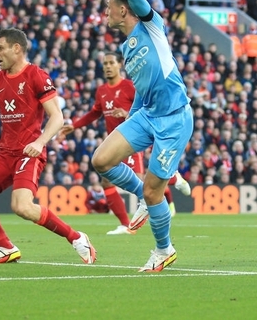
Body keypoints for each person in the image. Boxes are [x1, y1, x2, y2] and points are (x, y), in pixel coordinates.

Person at [0, 28, 96, 265]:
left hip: (29, 153)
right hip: (4, 153)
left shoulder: (36, 76)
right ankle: (6, 247)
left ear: (16, 48)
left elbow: (57, 117)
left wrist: (40, 142)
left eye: (0, 48)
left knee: (22, 207)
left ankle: (77, 238)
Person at [91, 0, 193, 272]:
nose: (106, 13)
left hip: (174, 118)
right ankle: (143, 202)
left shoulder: (152, 26)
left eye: (109, 7)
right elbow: (141, 90)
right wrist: (130, 120)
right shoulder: (126, 48)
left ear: (124, 9)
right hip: (147, 114)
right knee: (101, 160)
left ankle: (163, 250)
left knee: (154, 191)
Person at [61, 52, 191, 235]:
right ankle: (125, 224)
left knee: (141, 183)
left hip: (131, 141)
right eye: (104, 63)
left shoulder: (129, 86)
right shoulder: (101, 91)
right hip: (114, 142)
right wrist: (74, 126)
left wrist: (127, 113)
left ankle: (173, 179)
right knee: (107, 182)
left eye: (110, 63)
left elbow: (147, 107)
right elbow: (94, 113)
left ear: (119, 65)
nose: (107, 66)